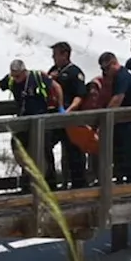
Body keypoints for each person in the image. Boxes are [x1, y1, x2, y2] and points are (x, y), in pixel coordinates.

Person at [0, 59, 64, 192]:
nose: (16, 79)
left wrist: (60, 106)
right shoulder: (11, 80)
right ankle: (27, 185)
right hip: (22, 123)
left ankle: (50, 186)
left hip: (42, 121)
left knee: (45, 153)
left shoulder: (38, 77)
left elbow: (56, 87)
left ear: (24, 71)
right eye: (13, 76)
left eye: (18, 76)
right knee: (20, 151)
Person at [98, 51, 131, 184]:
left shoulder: (122, 76)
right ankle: (123, 178)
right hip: (127, 119)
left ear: (114, 63)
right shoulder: (122, 75)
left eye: (107, 68)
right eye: (103, 69)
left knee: (128, 149)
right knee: (120, 147)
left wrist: (104, 120)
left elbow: (117, 99)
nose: (105, 72)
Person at [48, 42, 89, 189]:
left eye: (56, 55)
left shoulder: (74, 73)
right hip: (54, 118)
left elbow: (79, 96)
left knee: (74, 151)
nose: (53, 58)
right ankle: (51, 182)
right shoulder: (53, 71)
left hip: (71, 118)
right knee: (46, 146)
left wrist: (68, 110)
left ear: (65, 54)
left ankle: (79, 183)